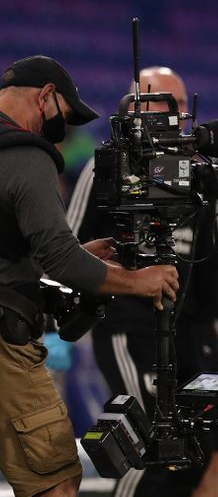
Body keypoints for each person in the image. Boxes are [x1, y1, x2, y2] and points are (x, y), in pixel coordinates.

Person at [0, 55, 178, 497]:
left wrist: (79, 253)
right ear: (45, 96)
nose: (64, 128)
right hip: (5, 344)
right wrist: (141, 280)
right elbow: (61, 260)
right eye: (64, 114)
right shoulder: (24, 153)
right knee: (55, 482)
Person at [67, 67, 218, 497]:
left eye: (181, 104)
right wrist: (60, 315)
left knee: (191, 450)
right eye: (164, 102)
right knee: (143, 442)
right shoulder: (106, 166)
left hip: (184, 328)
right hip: (125, 324)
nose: (175, 113)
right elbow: (68, 244)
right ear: (135, 107)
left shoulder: (199, 172)